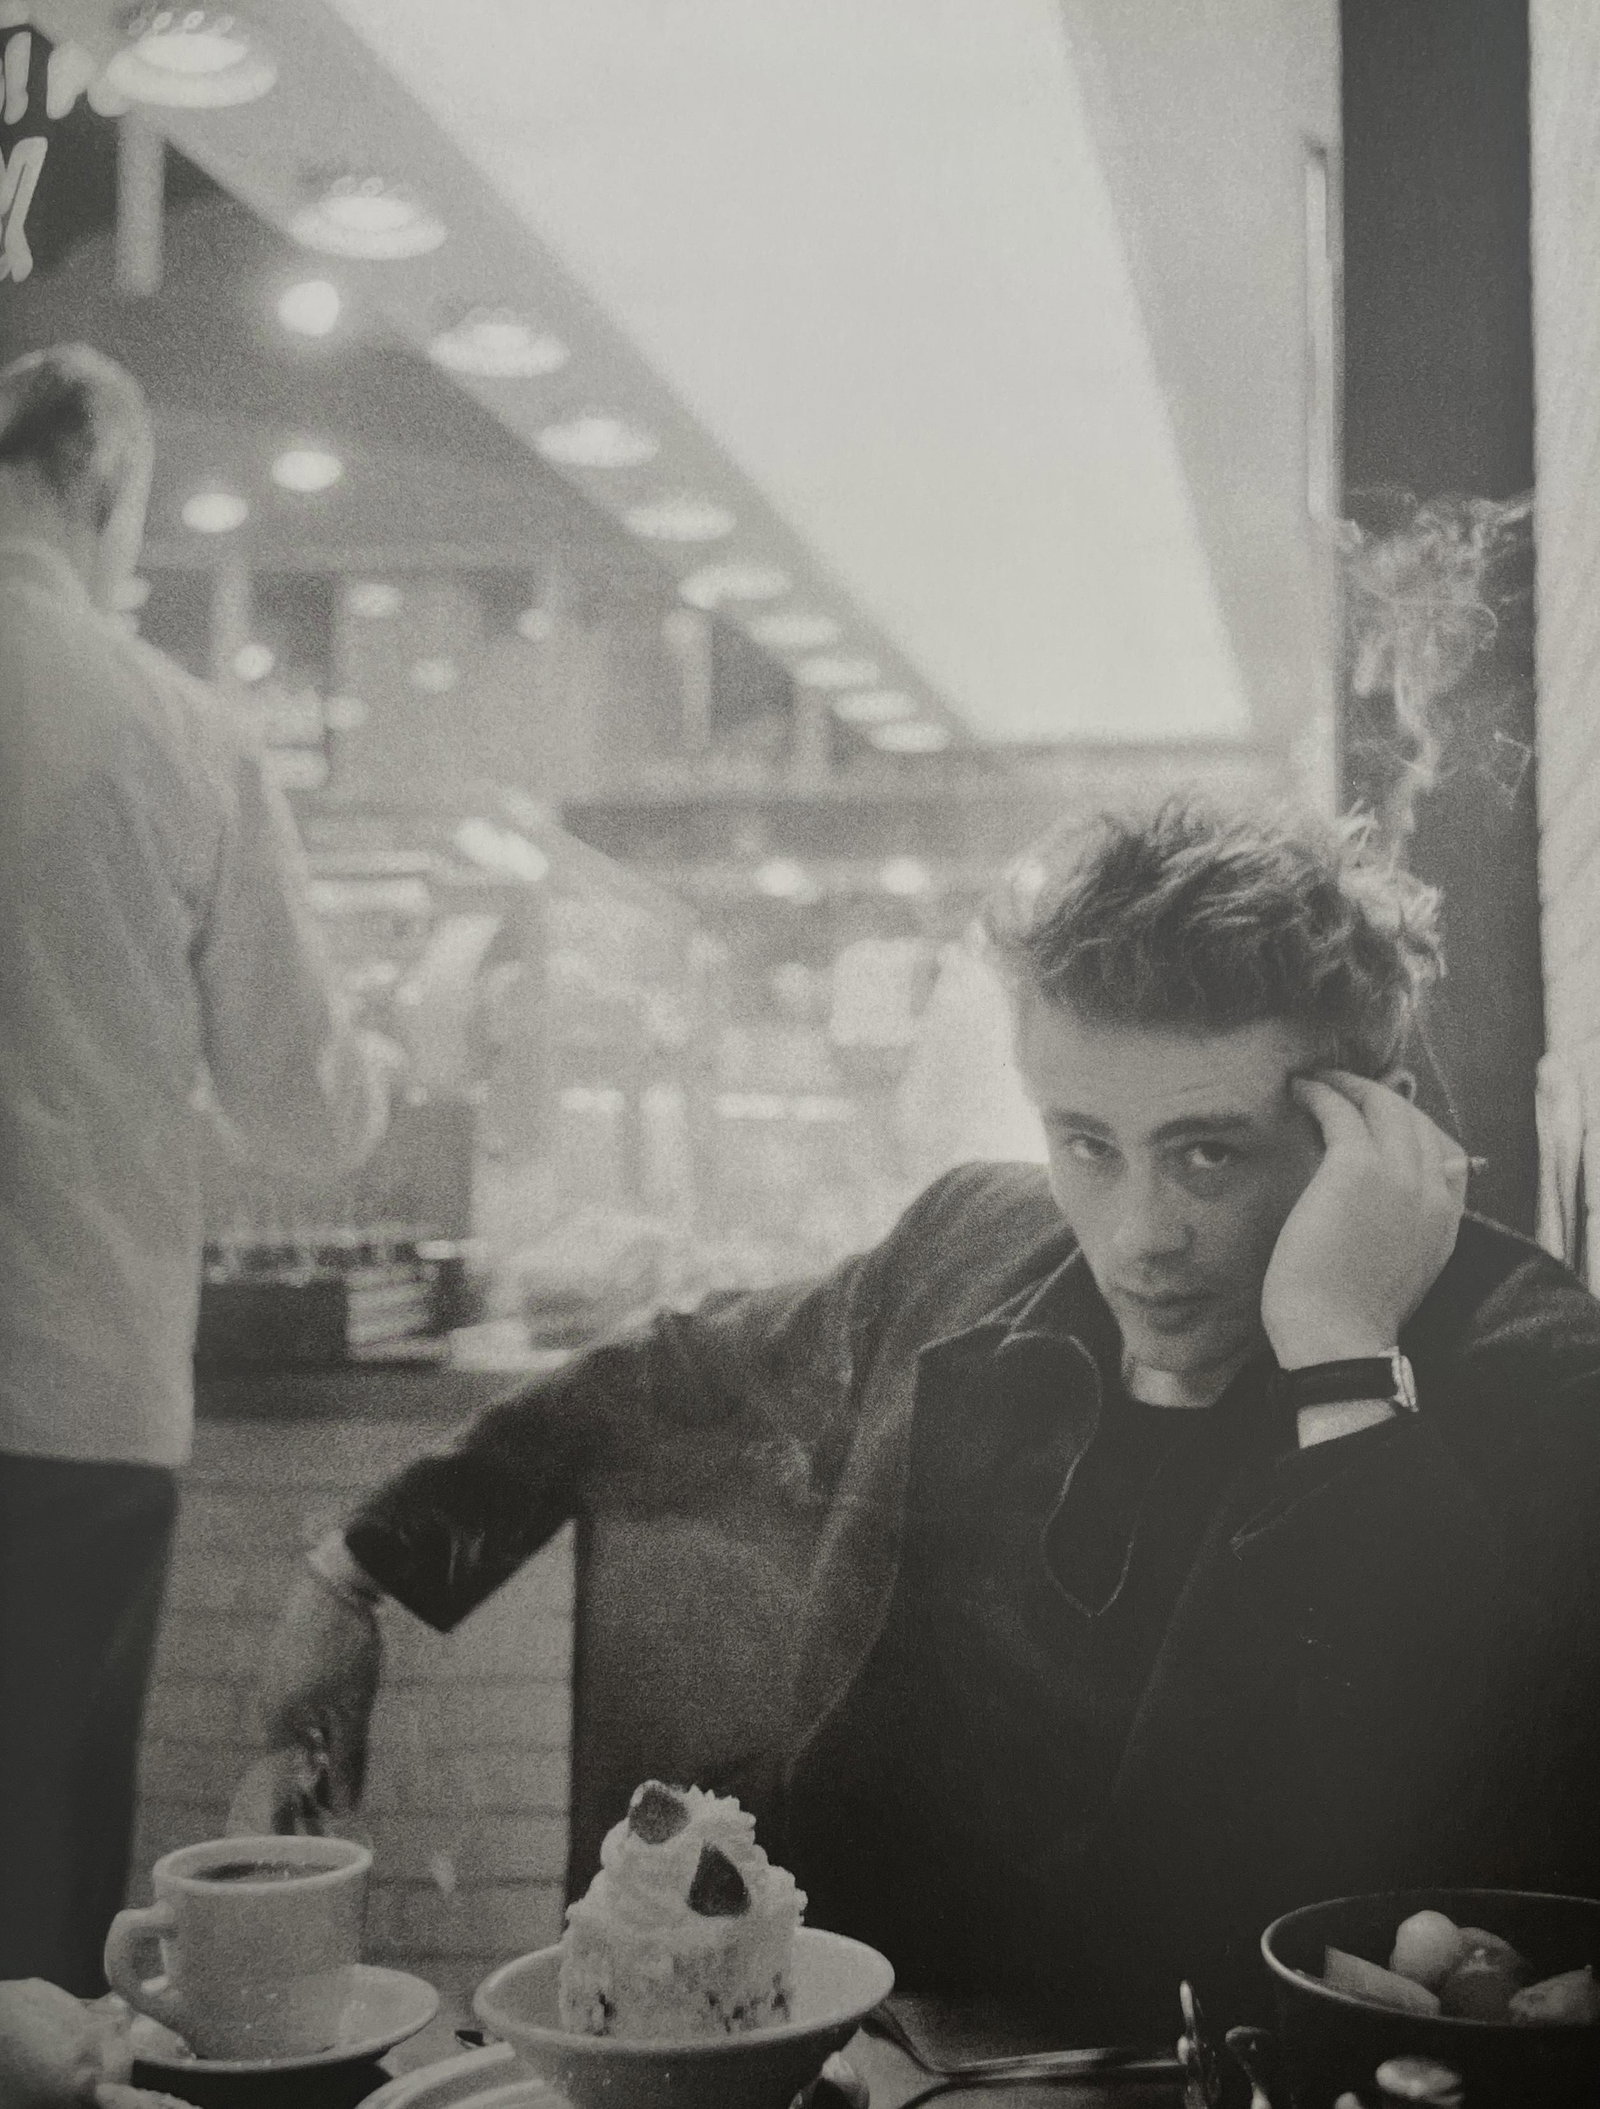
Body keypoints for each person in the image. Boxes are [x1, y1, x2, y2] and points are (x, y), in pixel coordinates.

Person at [245, 796, 1600, 2036]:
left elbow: (1471, 1888)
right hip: (852, 2041)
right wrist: (358, 1566)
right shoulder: (975, 1242)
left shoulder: (1528, 1372)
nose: (1139, 1236)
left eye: (1209, 1152)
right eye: (1085, 1142)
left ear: (1373, 1129)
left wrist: (1344, 1364)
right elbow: (677, 1373)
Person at [0, 345, 387, 1991]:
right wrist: (385, 1074)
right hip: (70, 1401)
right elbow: (303, 1106)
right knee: (31, 1876)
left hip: (75, 1398)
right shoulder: (170, 729)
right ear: (102, 484)